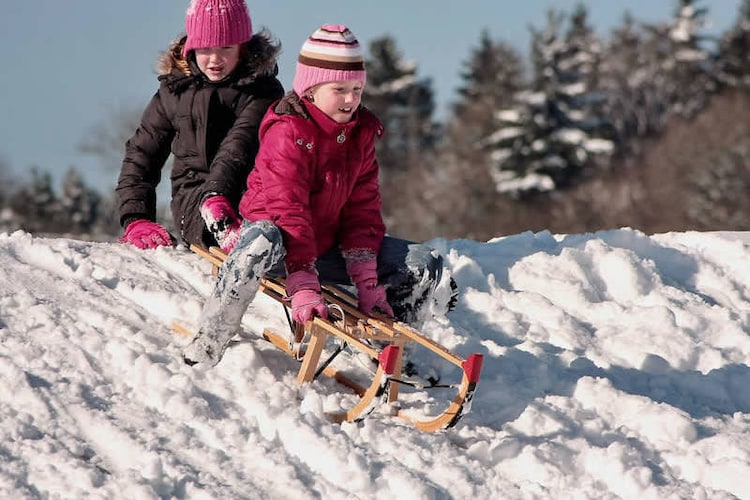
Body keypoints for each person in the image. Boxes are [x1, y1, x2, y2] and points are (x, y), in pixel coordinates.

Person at [183, 24, 455, 367]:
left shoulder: (360, 134)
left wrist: (368, 282)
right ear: (310, 89)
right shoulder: (288, 132)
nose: (351, 98)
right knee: (260, 240)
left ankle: (390, 356)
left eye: (357, 88)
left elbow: (363, 211)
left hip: (325, 247)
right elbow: (288, 211)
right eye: (339, 89)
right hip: (279, 248)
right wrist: (301, 279)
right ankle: (211, 337)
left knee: (423, 263)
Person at [116, 0, 284, 252]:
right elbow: (142, 154)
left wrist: (218, 196)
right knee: (210, 216)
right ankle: (234, 238)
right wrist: (136, 217)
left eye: (226, 47)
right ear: (191, 48)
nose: (215, 59)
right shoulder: (174, 91)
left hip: (254, 193)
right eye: (205, 48)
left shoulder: (263, 91)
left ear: (243, 48)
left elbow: (239, 145)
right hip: (194, 199)